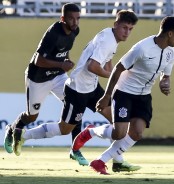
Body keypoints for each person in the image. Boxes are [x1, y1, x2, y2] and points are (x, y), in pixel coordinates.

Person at [12, 9, 141, 173]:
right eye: (124, 27)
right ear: (116, 24)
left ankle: (117, 160)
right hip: (77, 90)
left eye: (130, 29)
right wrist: (114, 76)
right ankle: (24, 135)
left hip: (92, 88)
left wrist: (113, 80)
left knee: (118, 123)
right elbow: (92, 66)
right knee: (64, 129)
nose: (127, 32)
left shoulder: (110, 35)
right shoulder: (108, 40)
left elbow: (107, 60)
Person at [73, 16, 174, 175]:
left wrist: (165, 83)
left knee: (137, 133)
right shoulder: (142, 48)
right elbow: (118, 68)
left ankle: (100, 161)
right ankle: (90, 132)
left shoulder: (171, 52)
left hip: (144, 95)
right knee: (119, 133)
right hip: (124, 92)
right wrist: (107, 96)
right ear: (170, 34)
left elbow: (165, 76)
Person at [4, 2, 80, 153]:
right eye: (71, 19)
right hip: (38, 78)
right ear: (62, 18)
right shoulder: (53, 33)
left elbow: (64, 50)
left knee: (76, 103)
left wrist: (65, 61)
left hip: (58, 76)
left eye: (78, 18)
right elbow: (38, 60)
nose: (75, 22)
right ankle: (12, 129)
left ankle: (76, 150)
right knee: (31, 116)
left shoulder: (74, 31)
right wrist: (61, 65)